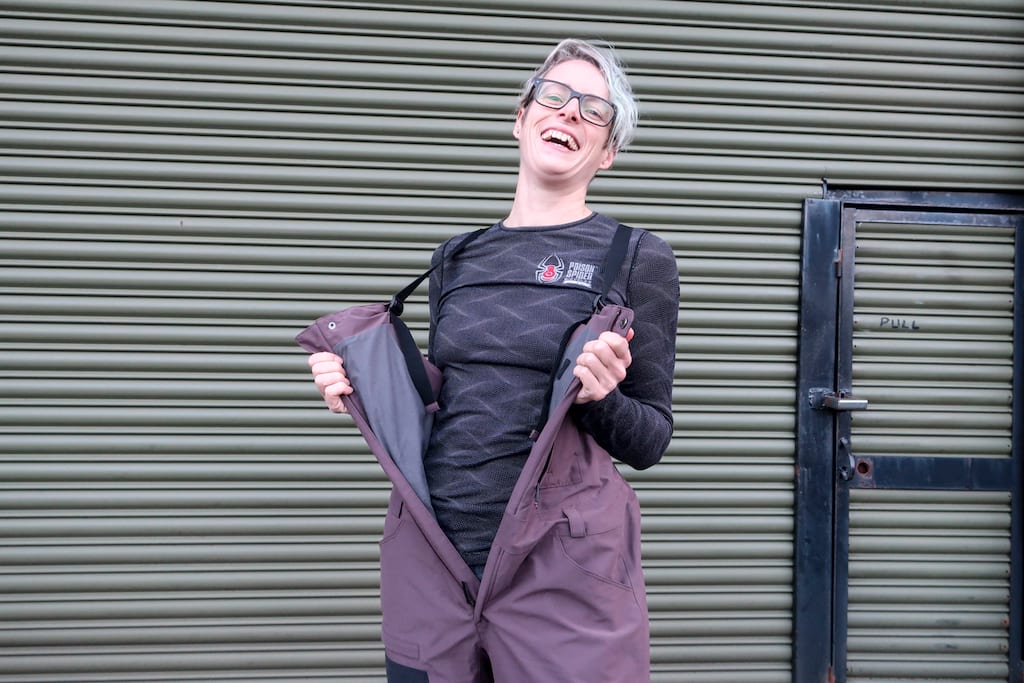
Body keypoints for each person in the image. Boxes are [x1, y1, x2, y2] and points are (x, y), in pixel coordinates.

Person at [307, 38, 678, 683]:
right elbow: (445, 402)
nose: (569, 113)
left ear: (608, 151)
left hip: (561, 568)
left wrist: (602, 397)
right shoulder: (455, 257)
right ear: (520, 117)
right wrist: (360, 382)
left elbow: (650, 439)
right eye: (554, 96)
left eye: (594, 110)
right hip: (433, 555)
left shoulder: (637, 256)